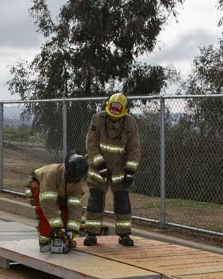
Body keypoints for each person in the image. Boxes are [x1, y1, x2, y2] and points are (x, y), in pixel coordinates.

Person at [84, 91, 141, 246]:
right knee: (95, 202)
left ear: (124, 112)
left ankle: (124, 236)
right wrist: (100, 165)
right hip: (98, 170)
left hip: (120, 171)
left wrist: (130, 172)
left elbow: (134, 149)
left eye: (117, 117)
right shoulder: (97, 119)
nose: (113, 119)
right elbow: (91, 144)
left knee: (122, 203)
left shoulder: (130, 124)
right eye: (111, 115)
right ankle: (91, 234)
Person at [32, 154, 89, 253]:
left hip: (60, 191)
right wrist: (58, 227)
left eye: (76, 179)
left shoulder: (77, 180)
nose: (74, 180)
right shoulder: (52, 174)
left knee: (68, 210)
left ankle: (62, 237)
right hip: (40, 185)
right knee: (44, 210)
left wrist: (71, 231)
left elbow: (75, 206)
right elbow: (47, 202)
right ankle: (44, 241)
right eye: (72, 177)